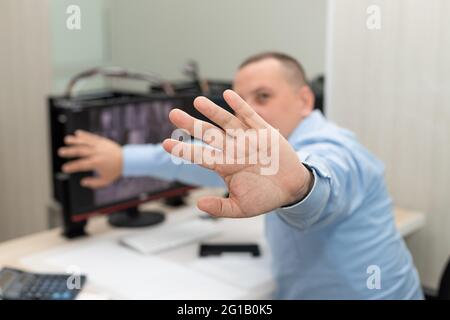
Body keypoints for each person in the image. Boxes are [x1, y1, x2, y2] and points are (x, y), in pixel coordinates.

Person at [58, 52, 423, 299]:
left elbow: (325, 182)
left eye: (263, 96)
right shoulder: (258, 157)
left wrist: (297, 186)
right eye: (238, 100)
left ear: (305, 101)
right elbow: (195, 160)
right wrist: (122, 159)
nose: (250, 110)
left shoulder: (336, 147)